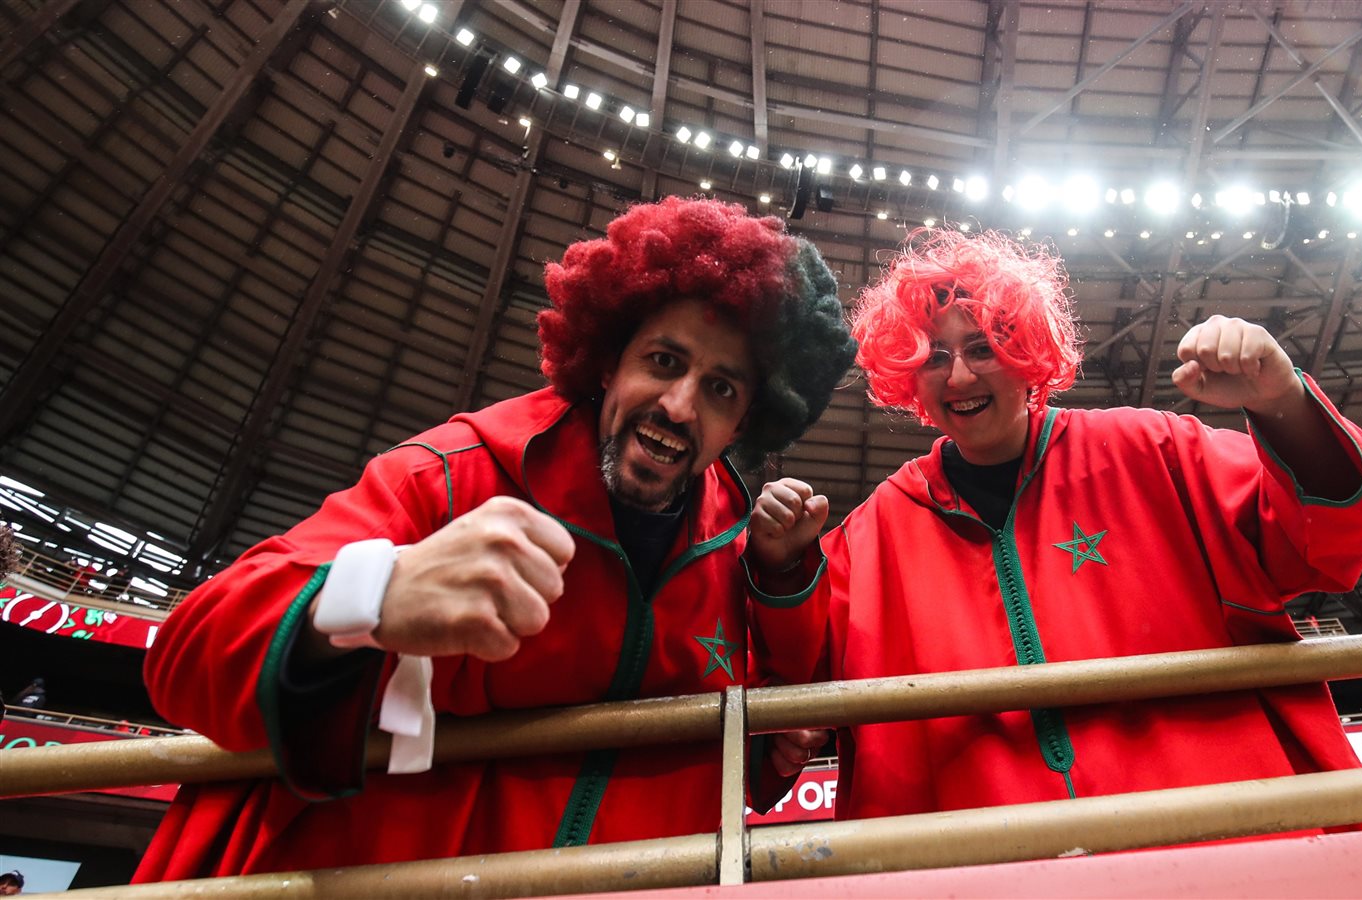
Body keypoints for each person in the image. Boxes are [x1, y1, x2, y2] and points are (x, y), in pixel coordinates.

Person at [135, 197, 855, 880]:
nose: (679, 405)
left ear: (744, 423)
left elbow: (756, 751)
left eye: (721, 388)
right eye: (664, 361)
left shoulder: (732, 536)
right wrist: (368, 596)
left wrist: (781, 595)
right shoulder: (455, 470)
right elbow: (187, 659)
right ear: (609, 363)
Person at [748, 229, 1362, 827]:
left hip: (1219, 852)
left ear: (1026, 353)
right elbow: (793, 694)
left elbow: (1324, 535)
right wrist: (781, 568)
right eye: (934, 357)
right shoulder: (873, 533)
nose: (960, 376)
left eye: (983, 348)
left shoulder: (1153, 450)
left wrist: (1281, 402)